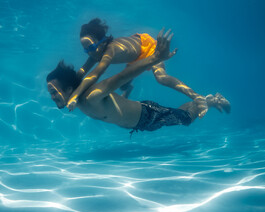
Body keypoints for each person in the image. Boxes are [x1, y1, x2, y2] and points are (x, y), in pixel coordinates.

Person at [46, 29, 230, 135]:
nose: (52, 97)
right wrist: (125, 97)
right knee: (181, 115)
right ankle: (206, 100)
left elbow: (121, 77)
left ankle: (211, 101)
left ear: (70, 89)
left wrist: (155, 57)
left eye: (54, 91)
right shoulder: (77, 102)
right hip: (139, 122)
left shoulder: (91, 96)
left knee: (186, 119)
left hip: (148, 115)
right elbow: (109, 107)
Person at [67, 18, 208, 118]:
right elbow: (83, 71)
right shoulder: (95, 54)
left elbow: (96, 73)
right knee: (123, 85)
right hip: (134, 56)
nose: (89, 52)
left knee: (161, 78)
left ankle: (198, 97)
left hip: (148, 48)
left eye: (90, 47)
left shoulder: (110, 50)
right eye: (85, 50)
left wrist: (74, 96)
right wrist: (66, 83)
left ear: (102, 42)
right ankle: (128, 89)